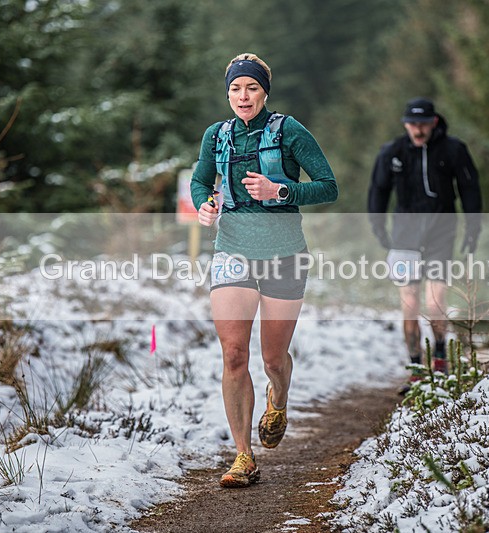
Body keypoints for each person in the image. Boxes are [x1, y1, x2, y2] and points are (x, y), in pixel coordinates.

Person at [191, 53, 338, 488]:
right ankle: (243, 457)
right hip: (232, 251)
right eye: (235, 89)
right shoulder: (216, 136)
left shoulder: (289, 131)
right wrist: (205, 203)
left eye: (251, 87)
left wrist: (281, 189)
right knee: (234, 353)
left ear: (264, 92)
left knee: (273, 357)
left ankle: (280, 396)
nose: (243, 96)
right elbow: (201, 180)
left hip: (284, 254)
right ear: (228, 94)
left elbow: (328, 186)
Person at [368, 97, 481, 385]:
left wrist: (473, 228)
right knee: (409, 302)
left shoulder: (453, 150)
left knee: (436, 299)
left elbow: (469, 188)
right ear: (405, 124)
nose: (417, 131)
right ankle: (416, 368)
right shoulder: (392, 152)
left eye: (422, 125)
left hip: (441, 230)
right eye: (412, 125)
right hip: (405, 234)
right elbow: (378, 191)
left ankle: (440, 359)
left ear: (434, 122)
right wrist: (378, 227)